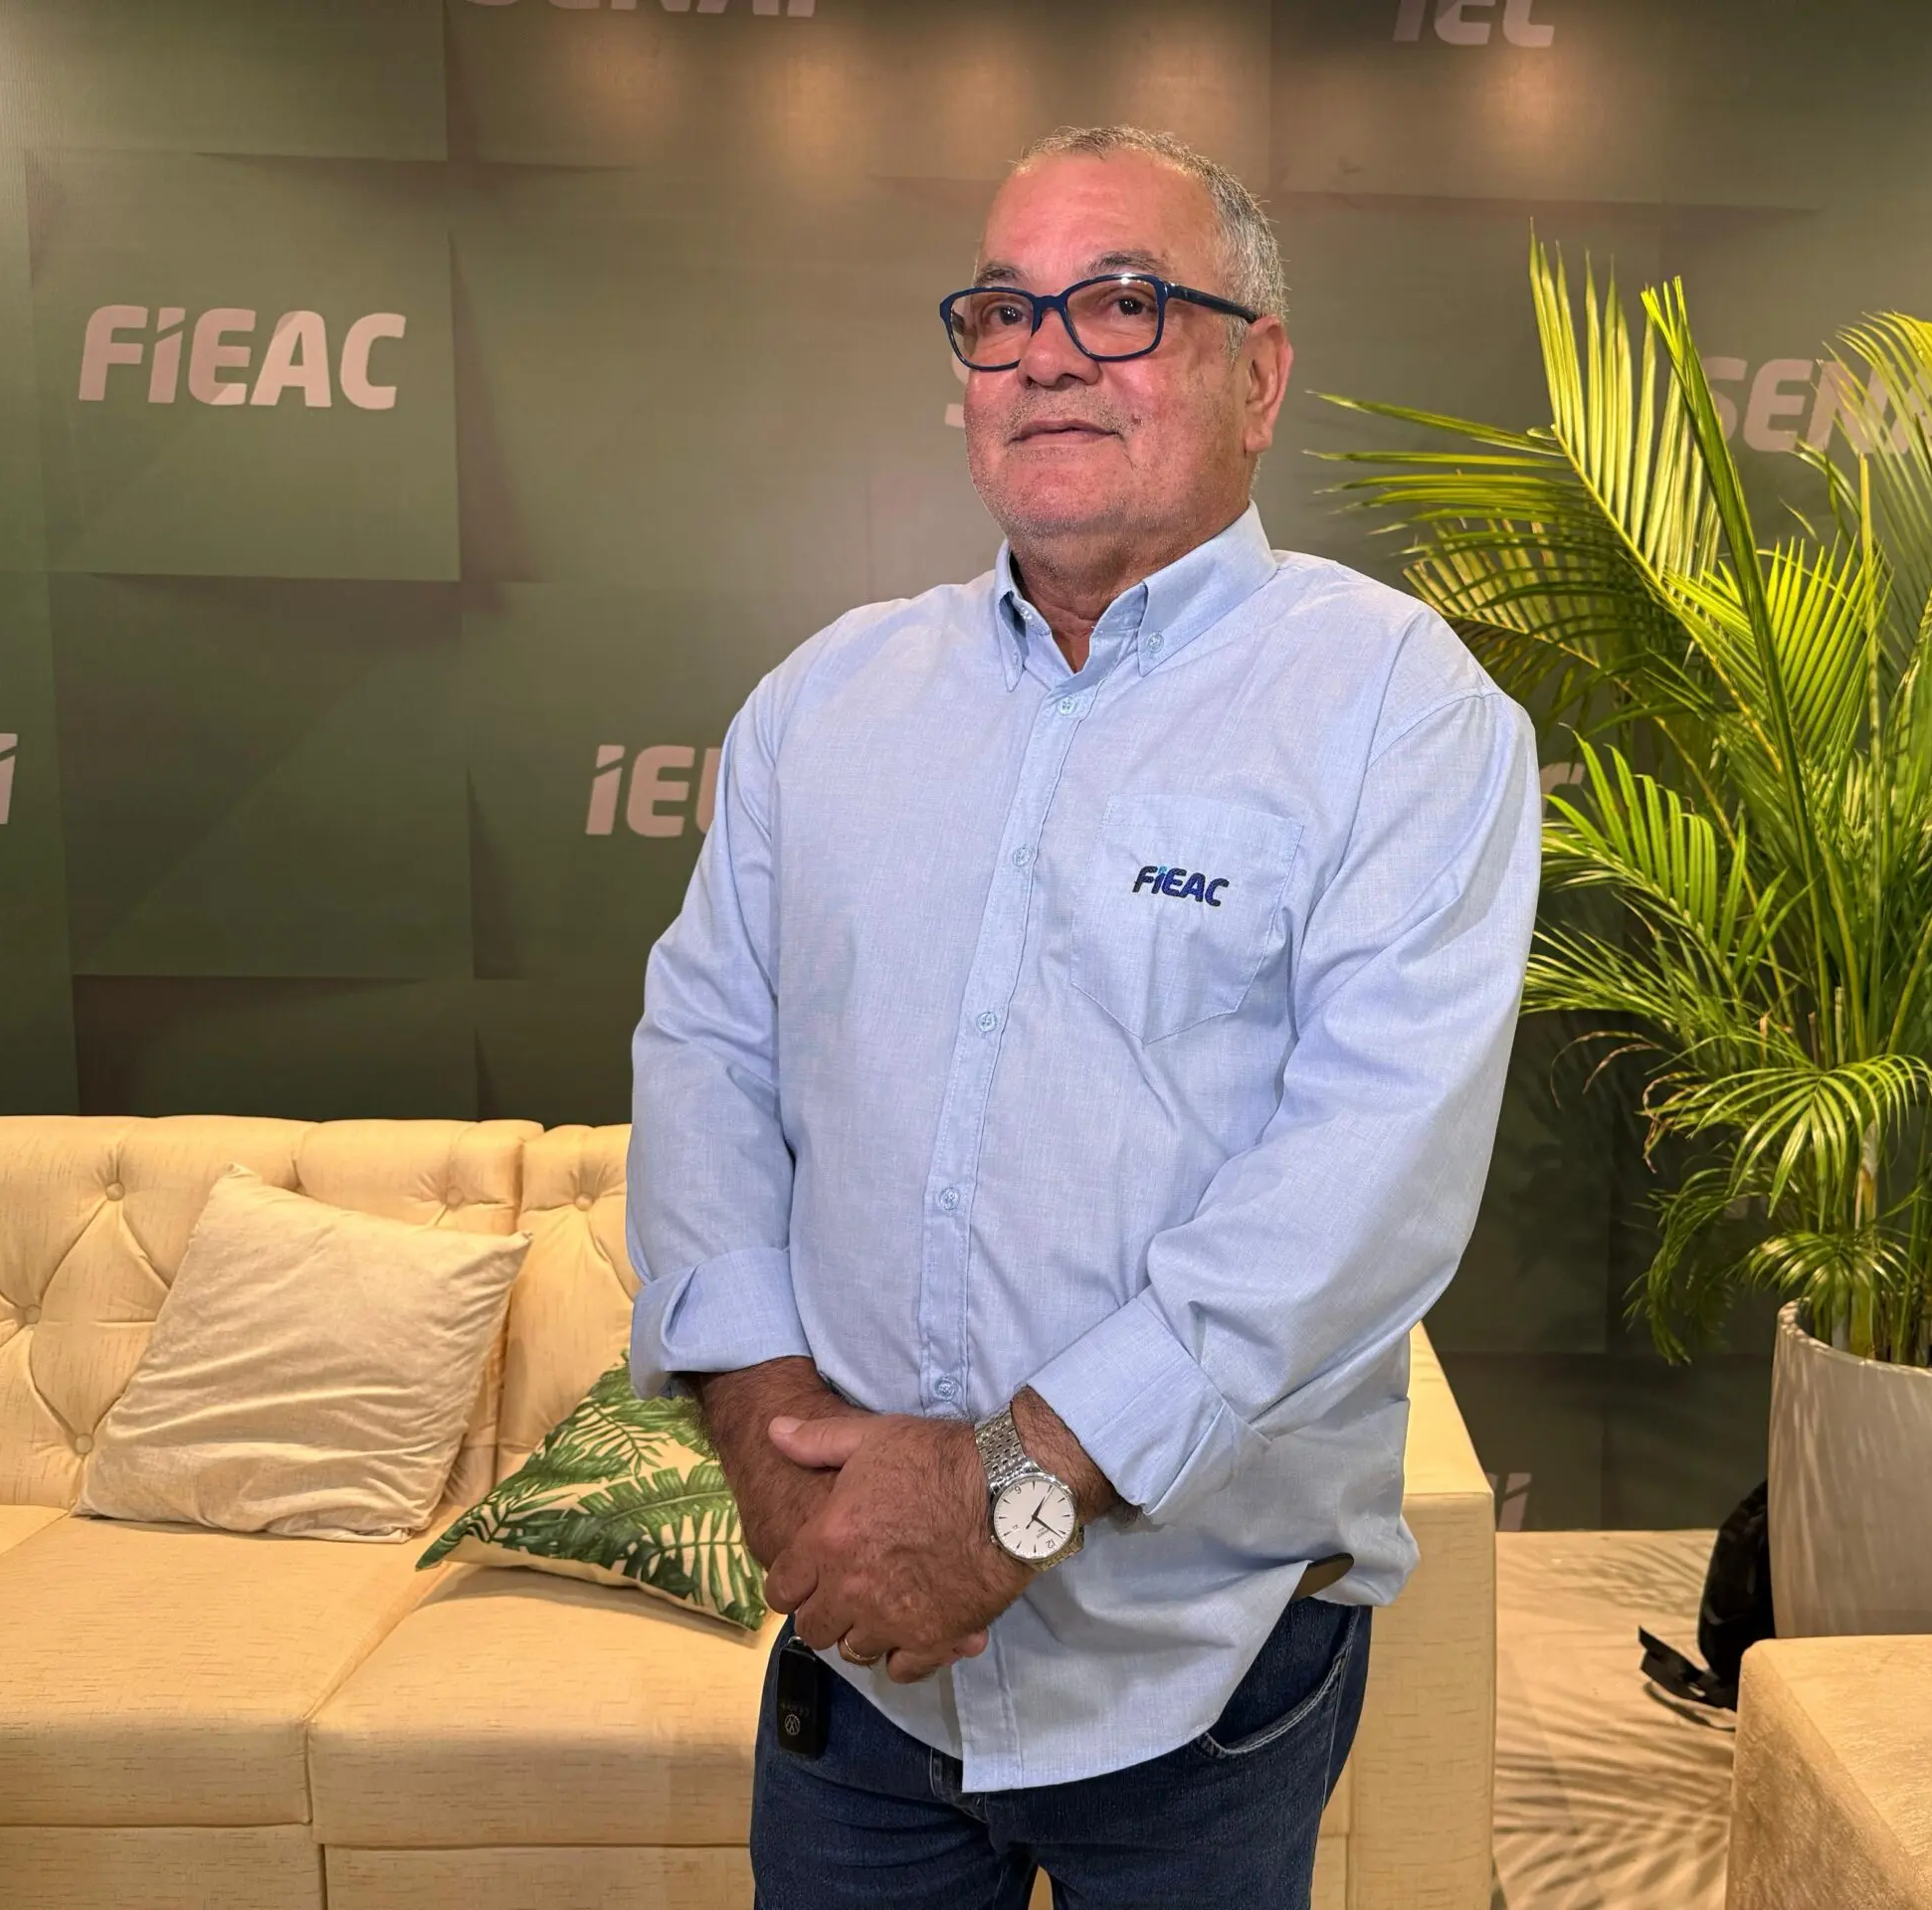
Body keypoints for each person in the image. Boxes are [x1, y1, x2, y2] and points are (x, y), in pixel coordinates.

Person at [625, 123, 1538, 1910]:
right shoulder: (823, 704)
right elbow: (707, 1060)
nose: (1045, 354)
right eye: (1002, 311)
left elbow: (1366, 1178)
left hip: (1201, 1676)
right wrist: (779, 1460)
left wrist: (1011, 1488)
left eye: (1120, 303)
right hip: (858, 1662)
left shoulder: (1398, 715)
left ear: (1258, 376)